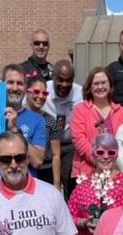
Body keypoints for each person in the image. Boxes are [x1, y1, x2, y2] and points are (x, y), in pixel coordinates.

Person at [67, 133, 123, 235]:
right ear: (93, 154)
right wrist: (83, 222)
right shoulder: (83, 186)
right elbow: (68, 218)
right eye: (100, 152)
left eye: (111, 152)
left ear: (117, 155)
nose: (106, 157)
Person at [70, 67, 123, 179]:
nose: (100, 87)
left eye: (103, 83)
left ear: (110, 85)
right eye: (96, 84)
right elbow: (79, 140)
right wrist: (99, 161)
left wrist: (111, 163)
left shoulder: (122, 112)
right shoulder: (80, 110)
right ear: (90, 87)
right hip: (87, 172)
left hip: (115, 172)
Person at [43, 59, 83, 200]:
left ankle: (69, 212)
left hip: (69, 144)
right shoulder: (43, 90)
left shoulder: (80, 93)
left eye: (69, 81)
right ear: (52, 77)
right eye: (60, 80)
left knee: (69, 181)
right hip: (48, 145)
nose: (64, 84)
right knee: (48, 182)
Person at [2, 64, 45, 173]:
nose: (15, 88)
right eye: (10, 82)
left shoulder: (38, 120)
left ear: (26, 88)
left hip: (24, 185)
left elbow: (37, 161)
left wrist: (16, 131)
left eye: (20, 83)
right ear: (2, 84)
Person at [25, 76, 62, 187]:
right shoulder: (17, 116)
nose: (40, 97)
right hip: (24, 171)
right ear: (27, 92)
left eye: (44, 93)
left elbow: (56, 155)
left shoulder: (50, 121)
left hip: (45, 173)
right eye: (36, 92)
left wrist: (56, 184)